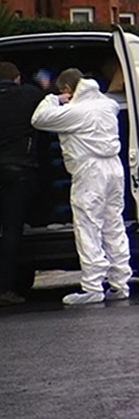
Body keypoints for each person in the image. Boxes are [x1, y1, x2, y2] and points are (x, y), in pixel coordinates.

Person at [31, 68, 132, 305]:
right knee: (113, 225)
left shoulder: (74, 111)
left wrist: (53, 99)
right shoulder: (107, 105)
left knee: (88, 226)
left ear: (67, 90)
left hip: (90, 172)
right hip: (114, 168)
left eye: (62, 91)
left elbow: (39, 119)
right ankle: (120, 283)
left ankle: (92, 287)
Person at [0, 62, 46, 306]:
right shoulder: (28, 94)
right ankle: (6, 287)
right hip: (19, 170)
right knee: (11, 229)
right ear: (17, 78)